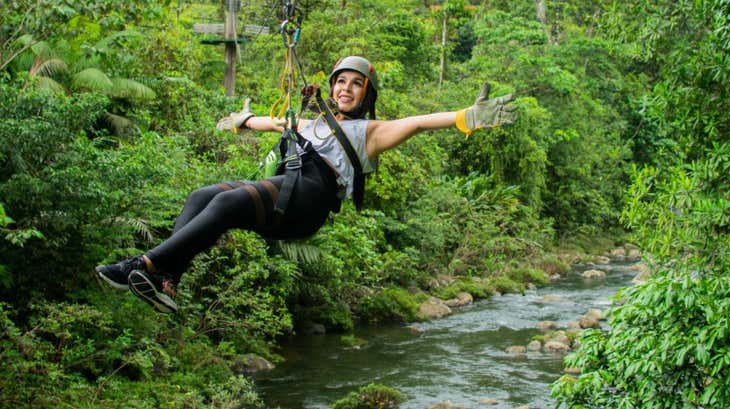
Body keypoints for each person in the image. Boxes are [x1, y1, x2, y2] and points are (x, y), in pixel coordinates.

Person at [95, 56, 517, 313]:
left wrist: (468, 117)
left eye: (356, 83)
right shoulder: (312, 122)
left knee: (225, 207)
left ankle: (143, 265)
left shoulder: (371, 132)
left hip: (310, 199)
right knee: (202, 195)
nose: (345, 88)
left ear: (366, 93)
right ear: (331, 88)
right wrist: (243, 121)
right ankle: (168, 281)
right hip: (287, 186)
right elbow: (273, 122)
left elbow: (421, 122)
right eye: (340, 81)